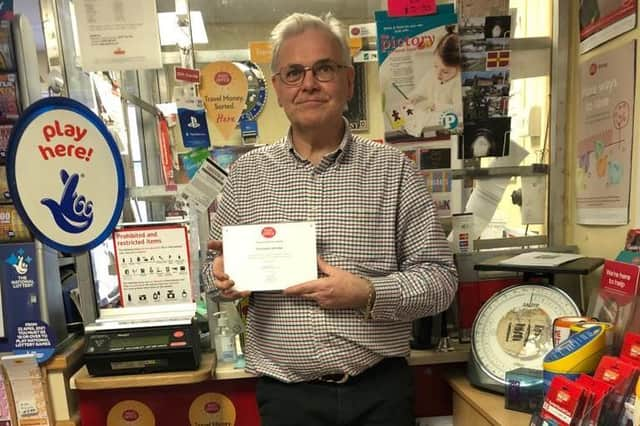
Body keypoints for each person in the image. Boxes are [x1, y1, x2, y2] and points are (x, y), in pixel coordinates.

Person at [206, 12, 458, 426]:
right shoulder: (246, 175)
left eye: (324, 68)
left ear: (349, 81)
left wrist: (368, 293)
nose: (308, 84)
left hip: (380, 395)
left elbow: (441, 281)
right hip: (288, 401)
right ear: (278, 89)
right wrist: (218, 279)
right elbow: (210, 280)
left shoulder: (394, 171)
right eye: (293, 73)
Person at [405, 25, 462, 136]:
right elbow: (420, 91)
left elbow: (459, 109)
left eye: (445, 72)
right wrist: (413, 98)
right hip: (429, 125)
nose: (438, 74)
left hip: (446, 129)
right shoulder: (431, 74)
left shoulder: (457, 83)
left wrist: (438, 106)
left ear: (459, 68)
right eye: (436, 66)